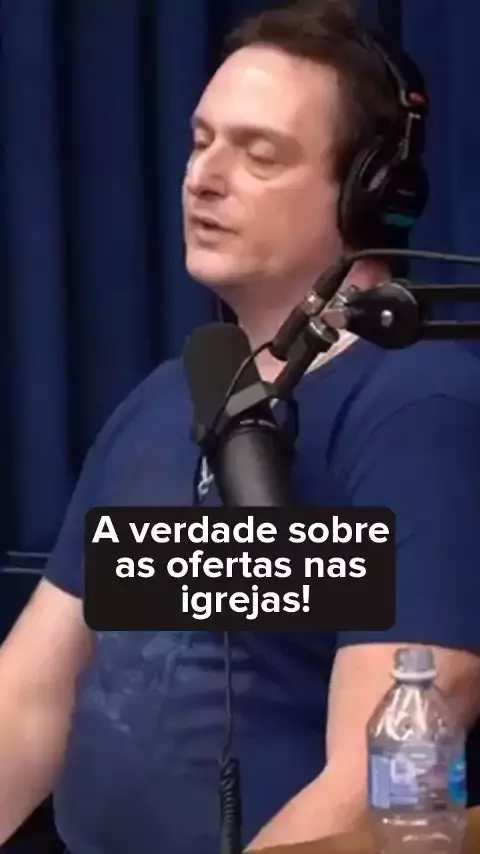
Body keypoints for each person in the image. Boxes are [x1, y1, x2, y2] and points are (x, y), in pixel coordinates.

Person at [1, 1, 480, 853]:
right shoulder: (169, 396)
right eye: (201, 141)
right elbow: (29, 698)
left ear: (374, 192)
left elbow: (377, 786)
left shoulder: (421, 411)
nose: (203, 178)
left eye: (259, 155)